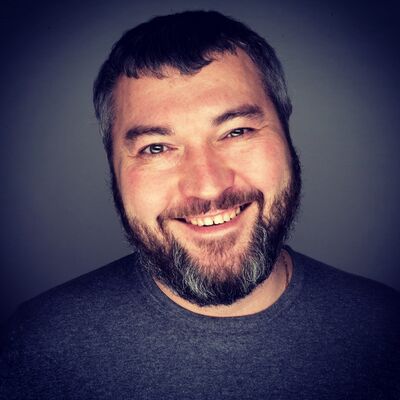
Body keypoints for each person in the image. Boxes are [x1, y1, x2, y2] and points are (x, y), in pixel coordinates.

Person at [0, 10, 399, 400]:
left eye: (236, 131)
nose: (207, 187)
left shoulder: (386, 328)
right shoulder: (37, 347)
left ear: (286, 131)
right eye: (156, 148)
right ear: (112, 166)